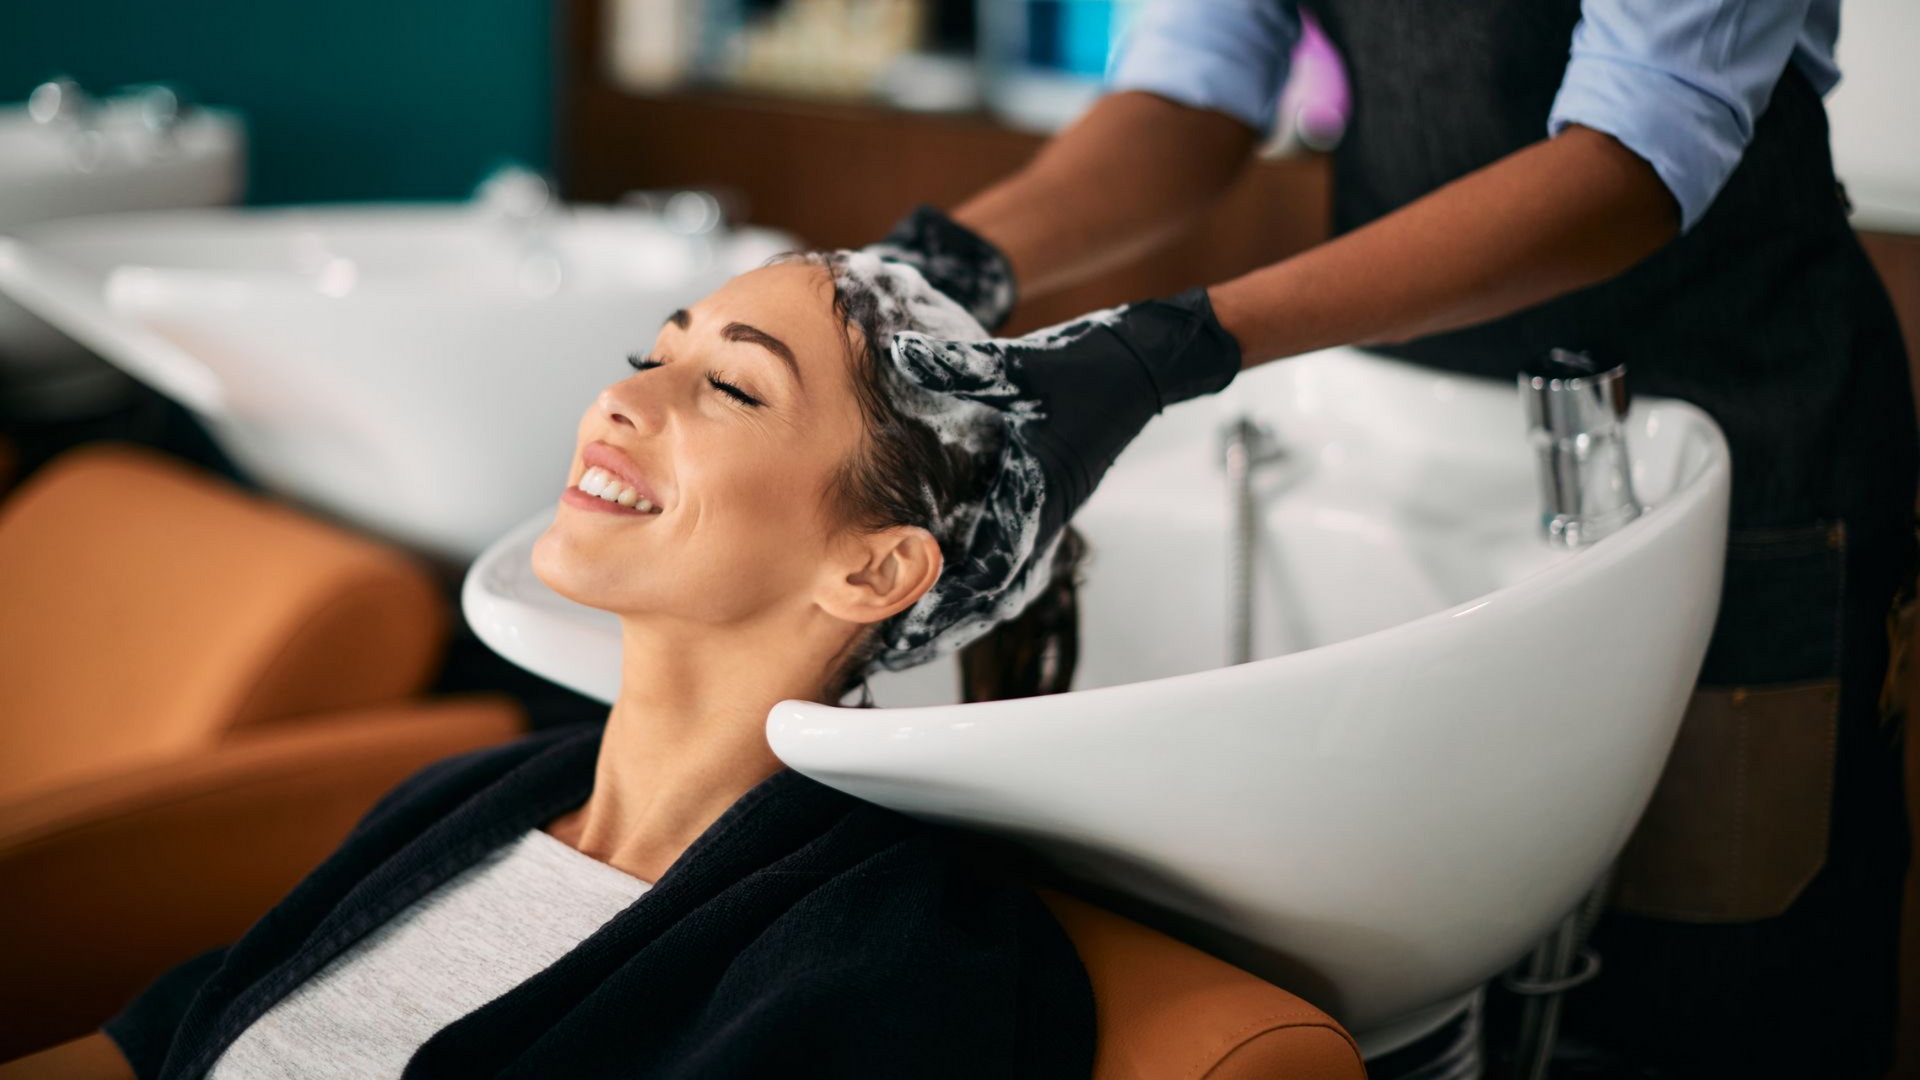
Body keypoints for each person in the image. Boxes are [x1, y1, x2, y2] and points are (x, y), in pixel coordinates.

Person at [866, 1, 1919, 1077]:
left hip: (1736, 416)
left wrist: (1180, 344)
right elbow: (1194, 89)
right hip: (1417, 441)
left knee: (1717, 1000)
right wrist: (918, 280)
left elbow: (1635, 157)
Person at [72, 248, 1227, 1079]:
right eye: (652, 353)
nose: (619, 398)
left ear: (874, 572)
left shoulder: (886, 961)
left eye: (730, 385)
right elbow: (155, 1045)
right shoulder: (467, 797)